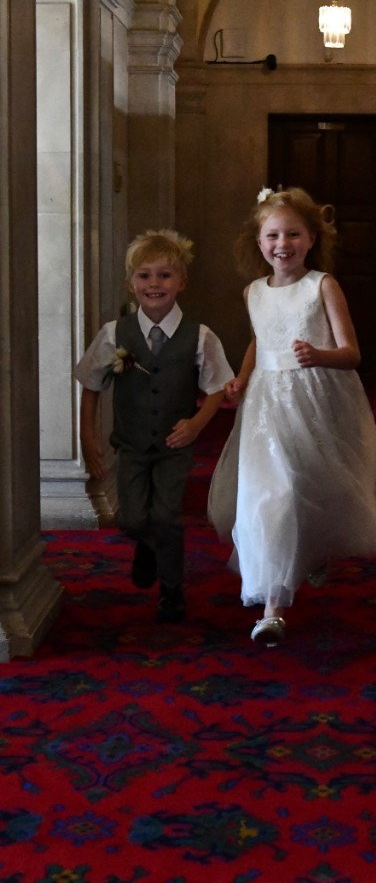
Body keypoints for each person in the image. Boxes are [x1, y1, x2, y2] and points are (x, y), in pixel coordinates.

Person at [211, 186, 376, 647]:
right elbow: (260, 340)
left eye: (293, 233)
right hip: (264, 406)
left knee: (309, 485)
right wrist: (241, 377)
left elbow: (352, 353)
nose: (283, 244)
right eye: (273, 235)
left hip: (315, 399)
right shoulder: (253, 291)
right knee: (269, 495)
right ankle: (273, 607)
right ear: (258, 243)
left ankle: (312, 547)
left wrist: (318, 355)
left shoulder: (323, 286)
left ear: (312, 237)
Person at [75, 228, 234, 624]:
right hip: (129, 444)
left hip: (174, 445)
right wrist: (88, 438)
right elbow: (91, 386)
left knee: (166, 516)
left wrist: (196, 425)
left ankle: (172, 589)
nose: (154, 284)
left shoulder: (201, 336)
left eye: (164, 275)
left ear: (181, 281)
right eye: (144, 275)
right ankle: (147, 546)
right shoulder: (116, 333)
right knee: (130, 518)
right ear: (131, 284)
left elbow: (217, 389)